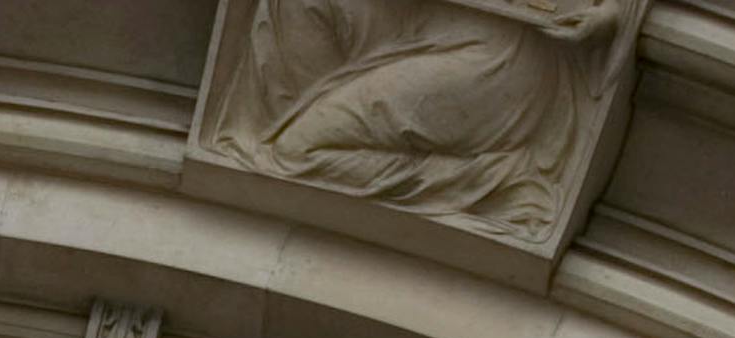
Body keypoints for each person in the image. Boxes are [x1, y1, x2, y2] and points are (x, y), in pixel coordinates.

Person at [212, 0, 629, 238]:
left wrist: (610, 13)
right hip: (413, 25)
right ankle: (316, 117)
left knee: (293, 152)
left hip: (492, 56)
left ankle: (497, 177)